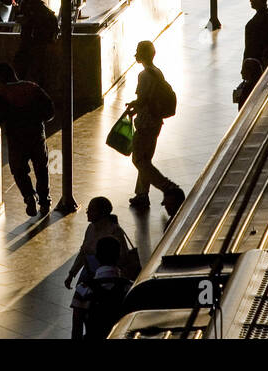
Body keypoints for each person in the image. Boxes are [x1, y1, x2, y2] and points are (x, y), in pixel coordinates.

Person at [63, 196, 136, 339]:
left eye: (91, 209)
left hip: (102, 274)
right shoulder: (90, 228)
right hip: (92, 271)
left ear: (101, 212)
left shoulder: (114, 231)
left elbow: (123, 257)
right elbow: (83, 252)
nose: (87, 212)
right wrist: (72, 273)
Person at [126, 40, 184, 215]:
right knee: (146, 158)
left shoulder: (143, 75)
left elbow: (143, 99)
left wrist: (133, 106)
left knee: (138, 160)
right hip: (157, 120)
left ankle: (167, 186)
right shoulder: (157, 71)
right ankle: (142, 194)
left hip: (146, 121)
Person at [0, 63, 53, 216]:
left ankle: (29, 196)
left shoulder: (2, 94)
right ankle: (45, 202)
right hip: (37, 135)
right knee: (41, 169)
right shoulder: (32, 87)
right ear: (14, 73)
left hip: (17, 139)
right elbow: (50, 111)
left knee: (18, 170)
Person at [83, 236, 133, 340]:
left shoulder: (83, 289)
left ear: (97, 256)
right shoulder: (130, 288)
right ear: (118, 256)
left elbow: (76, 327)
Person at [243, 0, 268, 71]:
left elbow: (250, 47)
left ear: (259, 1)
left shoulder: (255, 23)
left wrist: (245, 64)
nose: (250, 0)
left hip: (256, 61)